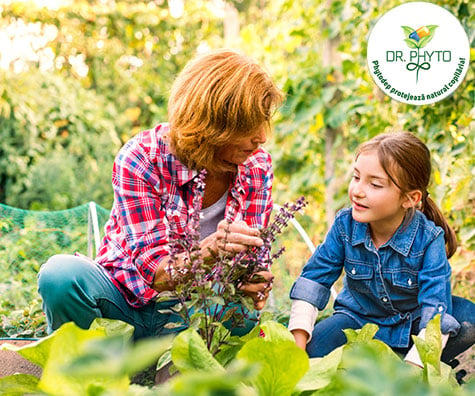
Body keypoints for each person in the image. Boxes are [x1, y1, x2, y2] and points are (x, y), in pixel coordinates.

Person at [38, 49, 283, 339]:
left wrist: (254, 282)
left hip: (193, 314)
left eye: (263, 122)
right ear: (211, 122)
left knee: (240, 313)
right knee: (61, 277)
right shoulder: (142, 158)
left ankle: (179, 369)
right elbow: (157, 275)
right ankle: (96, 368)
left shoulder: (256, 165)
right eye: (248, 124)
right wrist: (211, 250)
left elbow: (252, 265)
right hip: (125, 307)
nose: (261, 137)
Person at [288, 131, 474, 367]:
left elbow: (435, 309)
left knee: (466, 318)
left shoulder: (429, 239)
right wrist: (298, 346)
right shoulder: (345, 226)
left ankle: (410, 360)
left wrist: (412, 370)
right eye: (356, 177)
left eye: (375, 184)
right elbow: (313, 281)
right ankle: (380, 360)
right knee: (314, 350)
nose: (357, 191)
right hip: (356, 320)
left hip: (412, 326)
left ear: (409, 198)